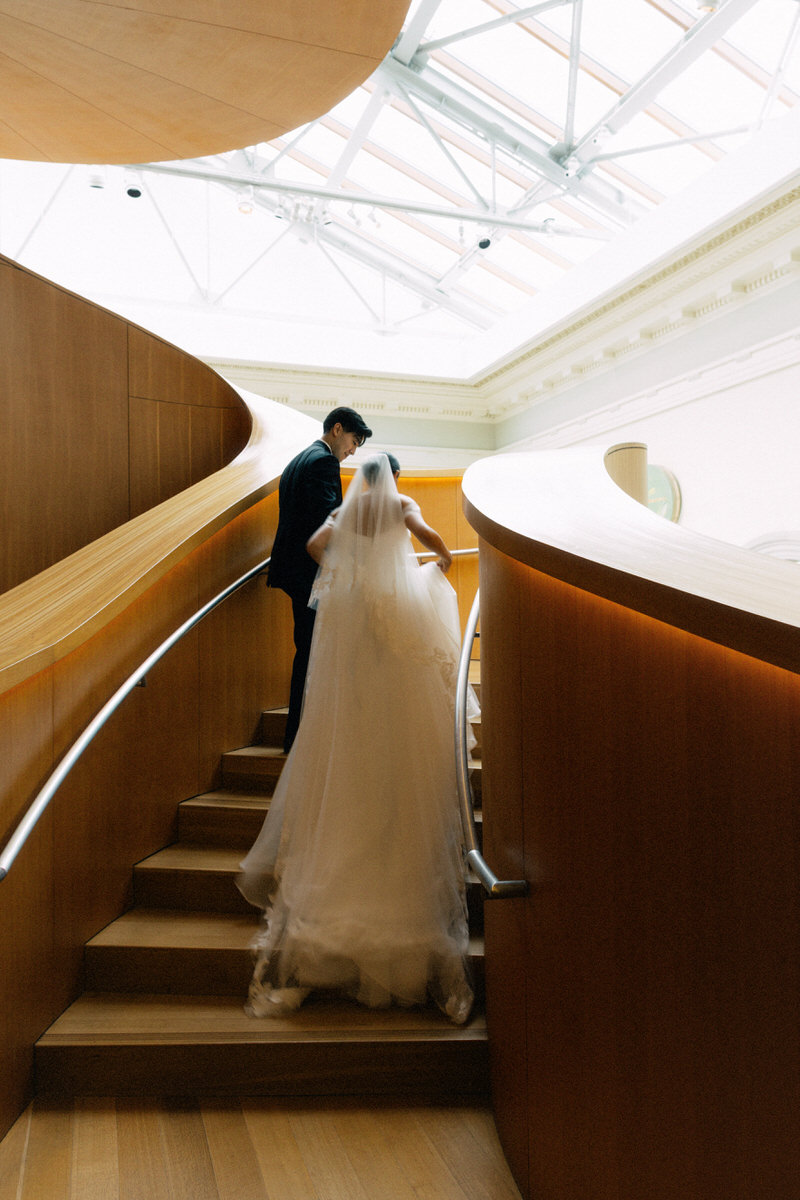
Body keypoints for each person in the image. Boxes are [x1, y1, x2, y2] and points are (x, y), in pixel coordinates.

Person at [238, 452, 474, 1024]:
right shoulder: (400, 504)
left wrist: (346, 574)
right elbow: (426, 532)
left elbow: (316, 546)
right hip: (395, 618)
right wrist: (440, 556)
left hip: (355, 624)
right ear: (394, 478)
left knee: (353, 716)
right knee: (402, 721)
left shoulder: (347, 513)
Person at [269, 406, 372, 752]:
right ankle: (301, 738)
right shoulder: (323, 462)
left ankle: (297, 736)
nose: (353, 451)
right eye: (354, 442)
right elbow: (327, 520)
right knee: (314, 653)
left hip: (293, 571)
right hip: (309, 573)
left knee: (308, 651)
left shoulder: (299, 459)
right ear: (338, 429)